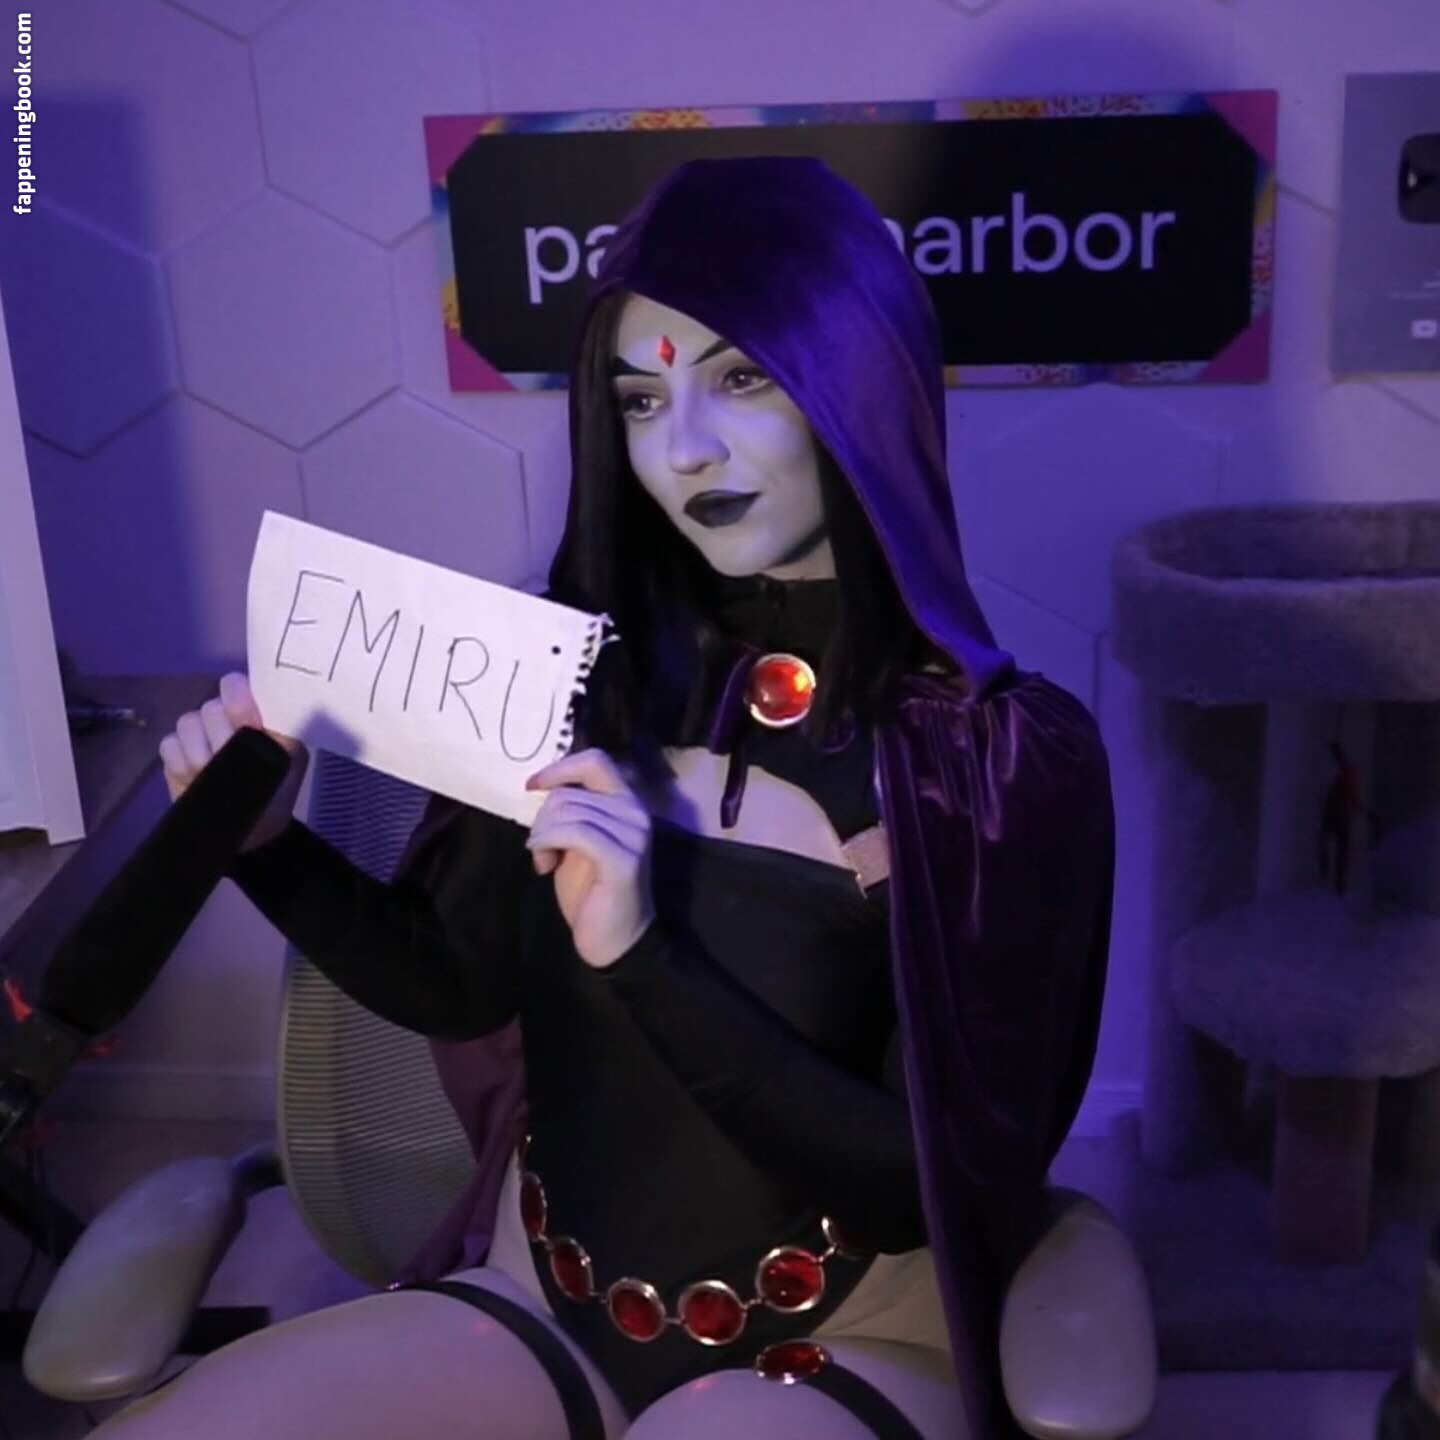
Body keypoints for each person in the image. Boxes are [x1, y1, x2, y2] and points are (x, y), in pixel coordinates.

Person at [115, 156, 1115, 1440]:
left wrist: (645, 958)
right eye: (641, 398)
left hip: (849, 1335)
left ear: (858, 384)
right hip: (545, 1298)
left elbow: (916, 1189)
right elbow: (459, 985)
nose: (684, 448)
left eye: (743, 381)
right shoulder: (562, 670)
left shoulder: (998, 763)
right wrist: (265, 846)